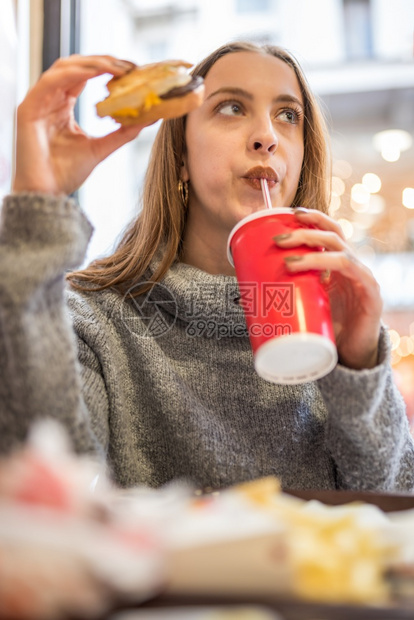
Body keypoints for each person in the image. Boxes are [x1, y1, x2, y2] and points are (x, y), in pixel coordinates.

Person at [1, 41, 413, 492]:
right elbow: (44, 485)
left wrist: (358, 371)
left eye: (287, 115)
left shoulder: (329, 323)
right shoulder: (93, 323)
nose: (267, 136)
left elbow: (395, 513)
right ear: (181, 158)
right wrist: (37, 206)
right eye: (232, 107)